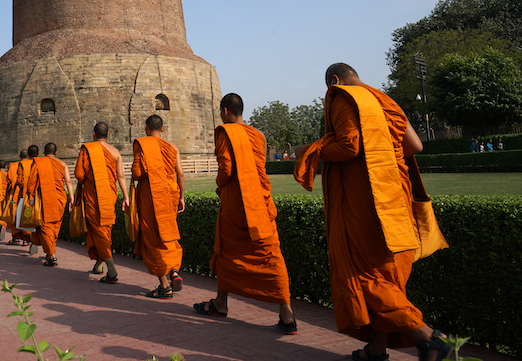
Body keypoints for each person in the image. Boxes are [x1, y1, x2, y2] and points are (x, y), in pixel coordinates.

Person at [293, 63, 451, 361]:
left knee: (362, 274)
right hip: (396, 200)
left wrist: (310, 150)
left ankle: (427, 336)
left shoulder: (343, 96)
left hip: (366, 203)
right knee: (387, 275)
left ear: (335, 81)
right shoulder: (384, 99)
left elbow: (349, 146)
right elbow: (415, 145)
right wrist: (383, 157)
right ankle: (376, 350)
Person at [193, 93, 297, 335]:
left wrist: (219, 184)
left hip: (236, 205)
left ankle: (221, 303)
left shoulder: (224, 132)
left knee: (227, 251)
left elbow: (226, 169)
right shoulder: (258, 135)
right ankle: (286, 313)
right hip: (260, 203)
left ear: (226, 111)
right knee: (270, 253)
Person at [131, 115, 186, 299]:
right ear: (162, 129)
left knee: (153, 238)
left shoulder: (142, 144)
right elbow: (180, 175)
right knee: (168, 233)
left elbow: (138, 173)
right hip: (170, 195)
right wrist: (182, 197)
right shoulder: (172, 147)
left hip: (151, 197)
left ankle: (164, 286)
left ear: (145, 127)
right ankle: (174, 271)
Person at [74, 122, 129, 283]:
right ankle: (99, 263)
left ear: (93, 134)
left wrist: (90, 180)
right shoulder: (116, 152)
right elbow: (120, 177)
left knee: (98, 229)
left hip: (93, 195)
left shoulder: (87, 149)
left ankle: (111, 268)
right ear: (108, 135)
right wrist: (125, 197)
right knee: (105, 228)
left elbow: (78, 175)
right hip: (110, 195)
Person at [28, 142, 74, 266]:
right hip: (60, 198)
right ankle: (50, 252)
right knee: (54, 226)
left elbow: (31, 183)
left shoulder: (38, 163)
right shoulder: (62, 164)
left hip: (45, 198)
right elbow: (68, 181)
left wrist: (31, 197)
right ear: (56, 152)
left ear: (43, 152)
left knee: (46, 226)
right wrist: (71, 198)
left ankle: (51, 255)